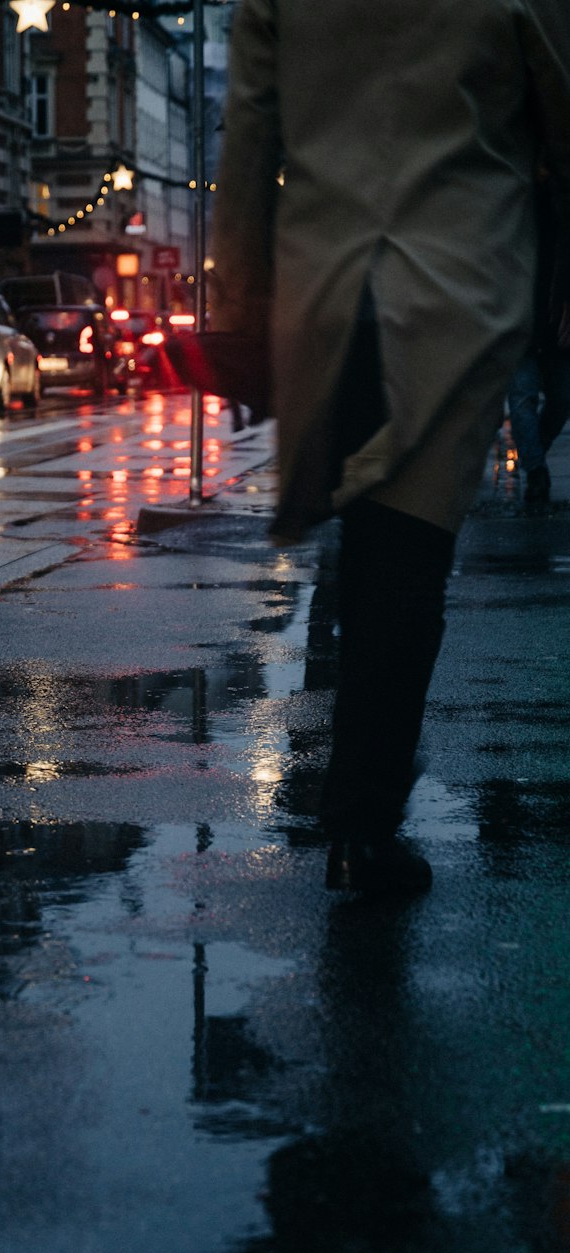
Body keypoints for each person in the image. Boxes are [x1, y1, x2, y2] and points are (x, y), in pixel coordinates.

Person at [209, 0, 570, 895]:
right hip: (460, 287)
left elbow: (251, 146)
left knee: (371, 542)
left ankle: (355, 813)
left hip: (327, 288)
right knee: (408, 551)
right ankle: (363, 822)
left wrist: (244, 311)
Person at [508, 164, 570, 509]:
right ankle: (536, 472)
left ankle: (535, 462)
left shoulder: (558, 205)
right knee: (523, 399)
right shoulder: (515, 202)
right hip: (522, 319)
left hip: (549, 318)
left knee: (560, 400)